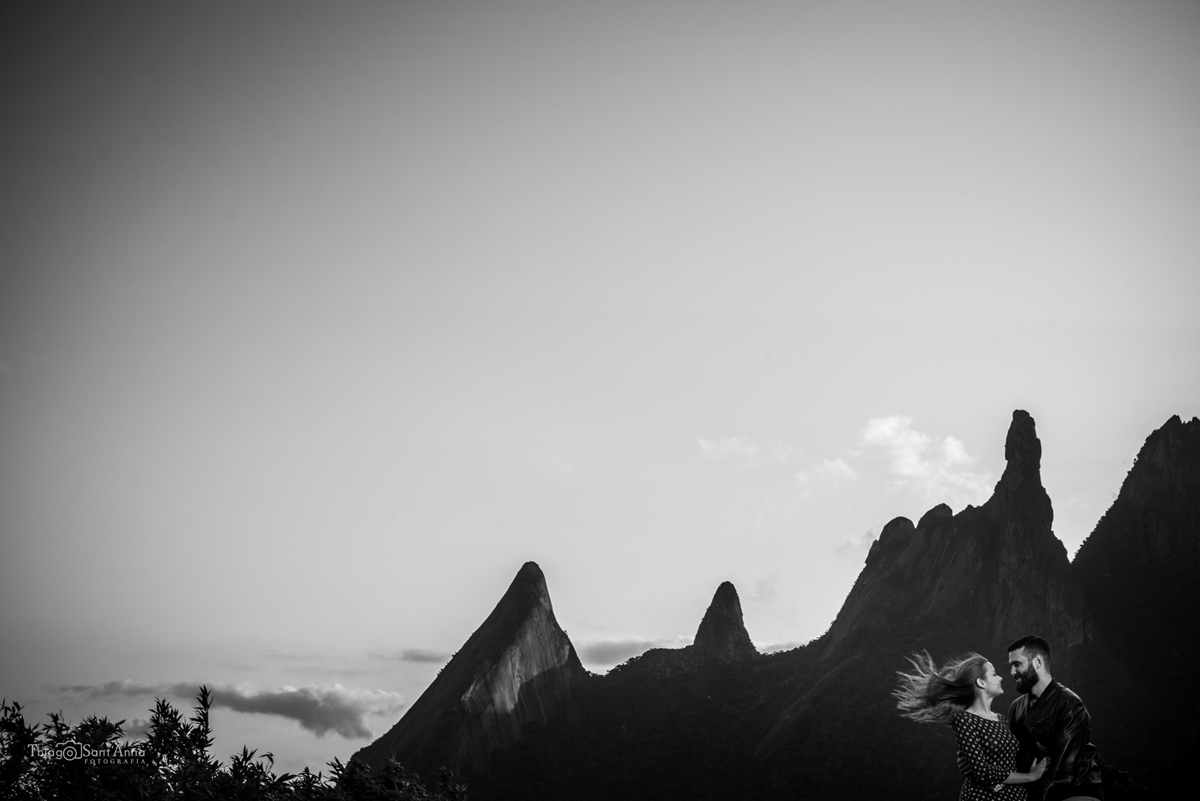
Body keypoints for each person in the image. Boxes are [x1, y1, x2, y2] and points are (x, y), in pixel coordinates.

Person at [895, 651, 1047, 800]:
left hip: (1011, 795)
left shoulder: (1001, 719)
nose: (1000, 677)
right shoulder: (964, 719)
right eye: (994, 674)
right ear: (981, 682)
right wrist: (1030, 777)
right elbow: (983, 772)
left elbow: (1003, 769)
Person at [1006, 636, 1104, 801]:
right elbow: (1011, 758)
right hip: (1033, 791)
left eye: (1017, 664)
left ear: (1037, 662)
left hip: (1076, 791)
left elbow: (1062, 774)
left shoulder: (1070, 705)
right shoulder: (1016, 708)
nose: (1012, 672)